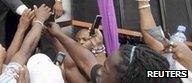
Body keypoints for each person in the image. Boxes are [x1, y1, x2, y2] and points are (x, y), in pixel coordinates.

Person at [46, 22, 182, 83]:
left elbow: (72, 69)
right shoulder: (163, 74)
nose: (99, 71)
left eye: (104, 70)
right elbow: (88, 63)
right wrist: (58, 34)